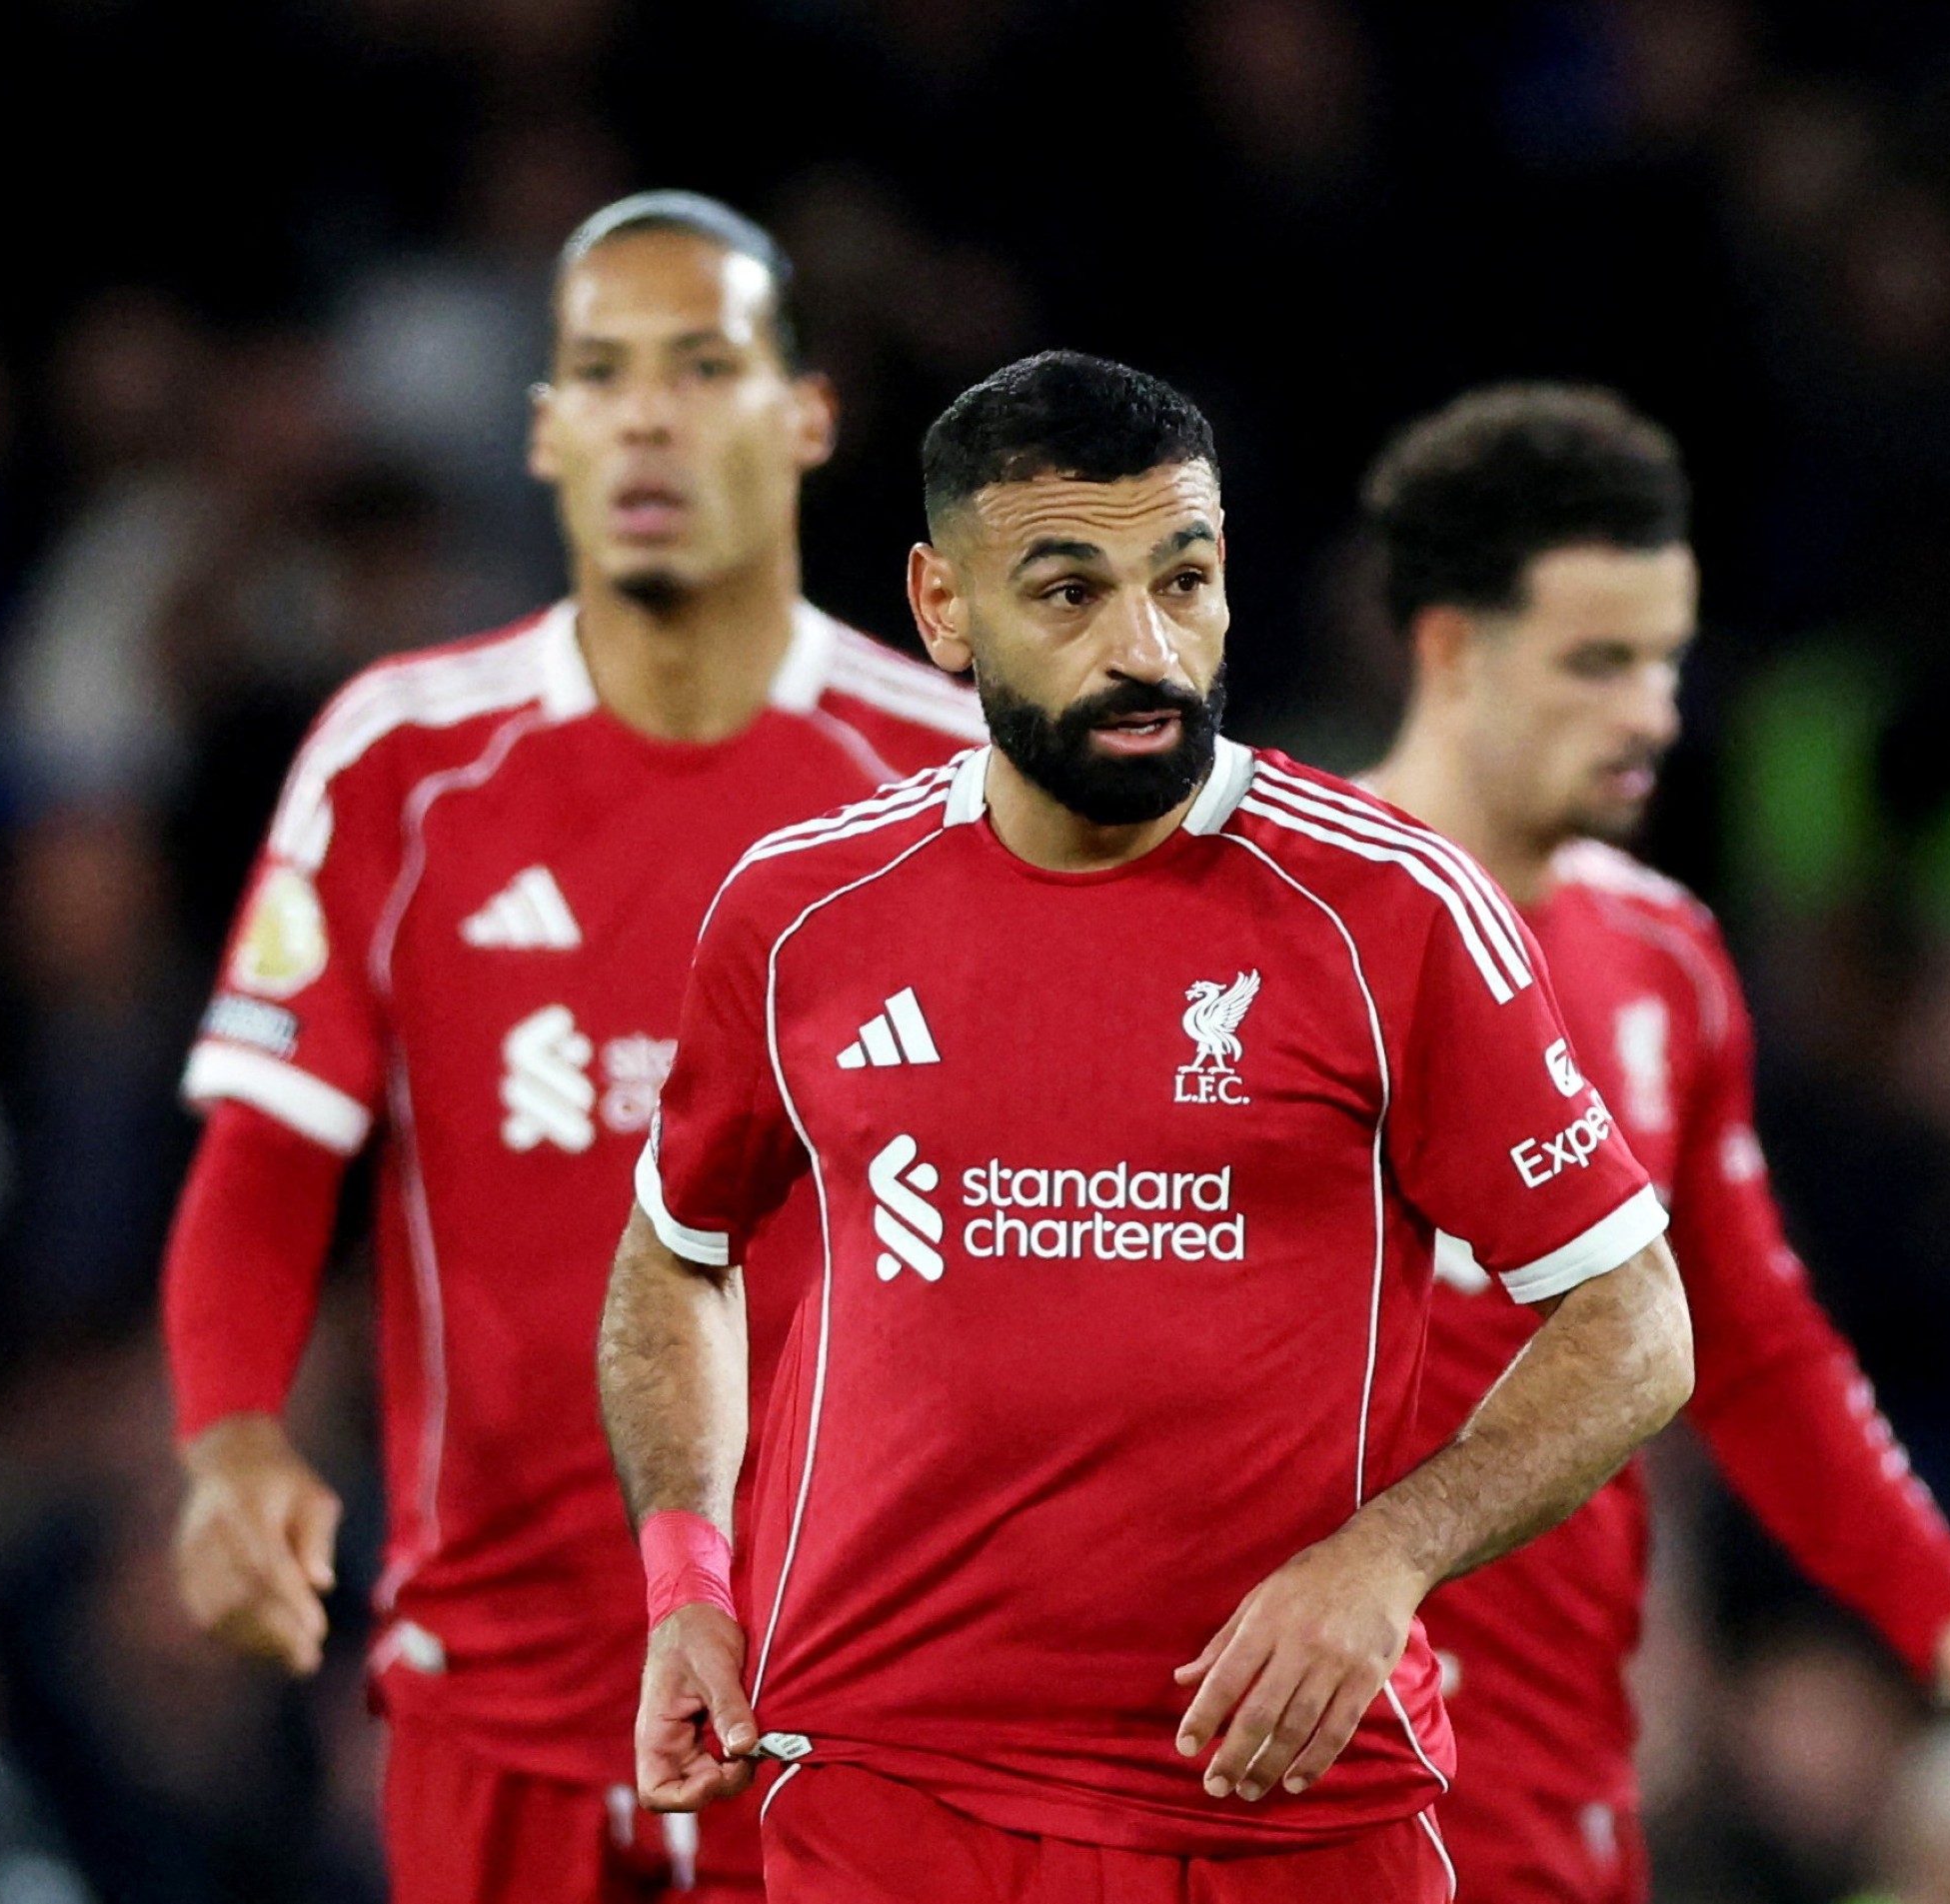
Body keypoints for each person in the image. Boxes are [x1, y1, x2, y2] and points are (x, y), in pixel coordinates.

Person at [598, 351, 1697, 1904]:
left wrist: (1385, 1559)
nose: (1145, 646)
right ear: (942, 607)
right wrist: (688, 1578)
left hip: (1283, 1803)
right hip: (891, 1793)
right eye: (1068, 592)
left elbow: (1636, 1318)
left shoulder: (1390, 912)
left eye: (1184, 578)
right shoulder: (800, 914)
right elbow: (678, 1249)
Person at [159, 191, 983, 1904]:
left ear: (808, 412)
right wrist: (232, 1435)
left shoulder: (953, 779)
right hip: (500, 1691)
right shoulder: (401, 760)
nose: (650, 414)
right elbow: (263, 1160)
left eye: (703, 363)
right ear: (544, 430)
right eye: (601, 372)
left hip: (858, 1686)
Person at [1361, 383, 1950, 1902]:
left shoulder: (1666, 956)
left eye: (1665, 659)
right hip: (1294, 1755)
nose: (1654, 711)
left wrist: (1942, 1601)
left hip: (1562, 1755)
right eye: (1599, 662)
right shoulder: (1264, 930)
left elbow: (1752, 1341)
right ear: (1450, 649)